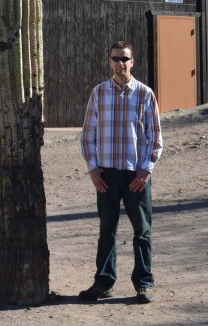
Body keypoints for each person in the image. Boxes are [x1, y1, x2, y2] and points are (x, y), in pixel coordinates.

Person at [79, 41, 163, 304]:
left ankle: (144, 284)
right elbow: (88, 134)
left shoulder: (145, 94)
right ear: (109, 61)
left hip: (136, 175)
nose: (120, 63)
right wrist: (93, 168)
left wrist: (146, 170)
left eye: (125, 59)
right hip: (106, 175)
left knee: (142, 231)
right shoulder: (98, 93)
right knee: (107, 231)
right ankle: (104, 283)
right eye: (115, 58)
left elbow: (155, 137)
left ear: (132, 62)